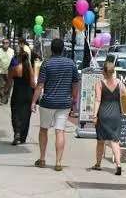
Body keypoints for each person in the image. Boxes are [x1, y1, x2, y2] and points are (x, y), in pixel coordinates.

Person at [31, 39, 79, 171]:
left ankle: (42, 158)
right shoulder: (71, 64)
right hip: (64, 102)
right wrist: (74, 100)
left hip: (48, 102)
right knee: (60, 131)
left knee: (43, 129)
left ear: (51, 49)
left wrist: (33, 101)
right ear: (63, 49)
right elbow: (75, 84)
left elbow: (40, 85)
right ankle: (58, 162)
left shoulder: (46, 64)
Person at [91, 61, 126, 175]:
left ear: (103, 71)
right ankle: (118, 164)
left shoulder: (100, 84)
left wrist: (94, 115)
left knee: (100, 141)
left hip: (103, 115)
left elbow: (98, 100)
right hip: (116, 115)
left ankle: (98, 164)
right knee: (115, 141)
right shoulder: (119, 83)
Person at [8, 51, 36, 145]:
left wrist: (6, 90)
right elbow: (32, 84)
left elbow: (9, 81)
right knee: (26, 116)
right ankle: (23, 137)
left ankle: (17, 132)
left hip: (17, 92)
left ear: (19, 58)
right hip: (28, 94)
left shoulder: (15, 68)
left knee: (15, 113)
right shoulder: (30, 69)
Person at [0, 39, 15, 104]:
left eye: (7, 42)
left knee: (9, 86)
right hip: (0, 71)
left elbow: (14, 61)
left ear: (9, 43)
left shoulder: (12, 51)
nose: (5, 44)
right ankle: (2, 99)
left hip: (10, 72)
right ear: (2, 43)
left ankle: (6, 97)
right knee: (1, 86)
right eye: (4, 43)